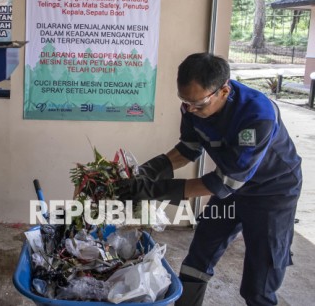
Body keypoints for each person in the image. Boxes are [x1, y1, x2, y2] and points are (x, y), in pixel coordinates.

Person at [116, 52, 302, 306]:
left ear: (223, 91)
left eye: (198, 105)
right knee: (198, 258)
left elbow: (222, 182)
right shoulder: (193, 103)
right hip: (234, 191)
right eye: (185, 101)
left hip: (272, 193)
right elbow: (189, 148)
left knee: (260, 280)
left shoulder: (257, 116)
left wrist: (153, 190)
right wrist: (149, 170)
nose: (190, 109)